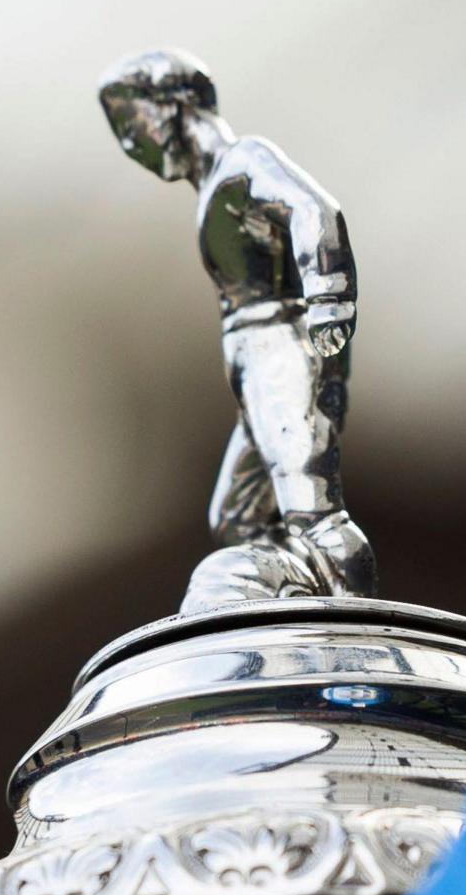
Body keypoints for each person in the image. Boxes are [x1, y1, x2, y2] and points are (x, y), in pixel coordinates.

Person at [101, 51, 375, 610]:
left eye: (133, 128)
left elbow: (313, 209)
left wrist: (328, 299)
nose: (134, 149)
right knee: (237, 513)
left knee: (313, 510)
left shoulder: (244, 160)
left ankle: (355, 626)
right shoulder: (214, 186)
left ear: (173, 106)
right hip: (255, 364)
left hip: (283, 351)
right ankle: (286, 609)